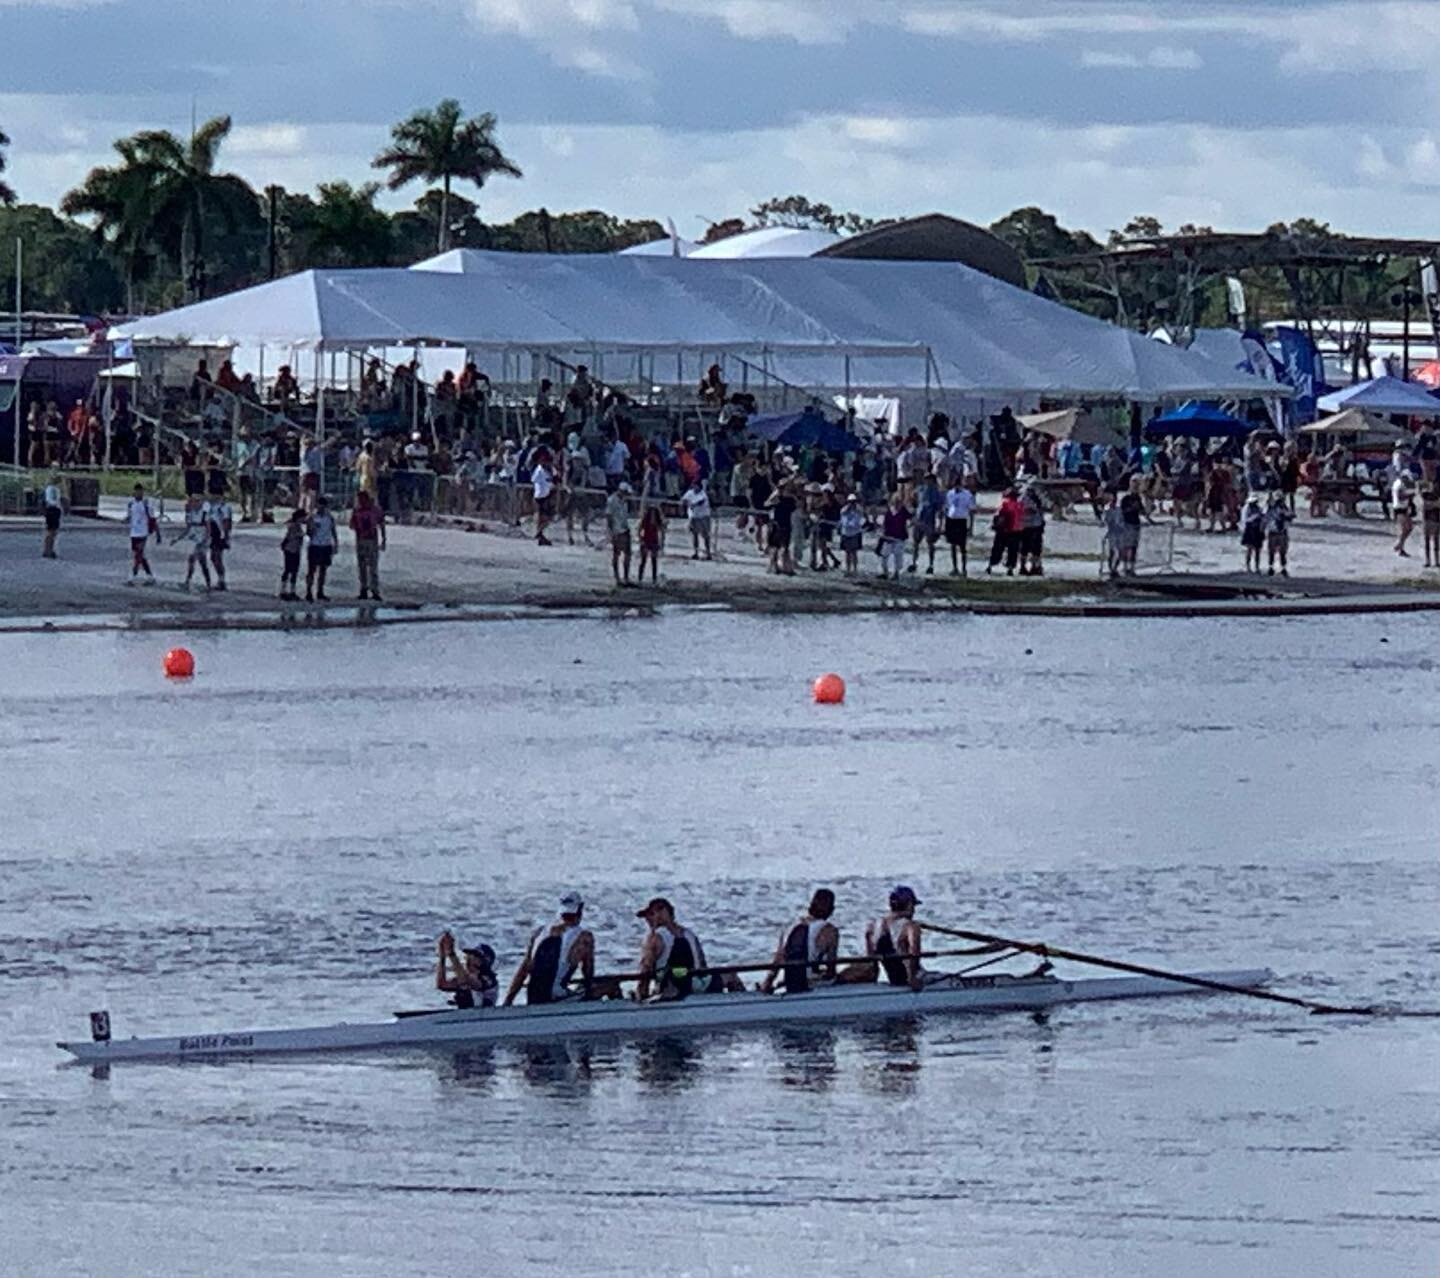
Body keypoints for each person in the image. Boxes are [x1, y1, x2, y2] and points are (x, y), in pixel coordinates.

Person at [503, 892, 596, 1006]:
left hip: (533, 996)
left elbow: (523, 971)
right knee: (611, 988)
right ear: (580, 909)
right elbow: (588, 972)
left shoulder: (539, 932)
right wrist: (590, 993)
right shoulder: (584, 938)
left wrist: (508, 1000)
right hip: (555, 997)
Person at [839, 885, 925, 989]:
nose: (914, 910)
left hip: (893, 980)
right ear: (909, 905)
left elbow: (871, 964)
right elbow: (913, 955)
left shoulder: (872, 927)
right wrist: (913, 980)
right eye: (913, 906)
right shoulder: (911, 927)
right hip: (914, 980)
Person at [758, 889, 840, 995]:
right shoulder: (830, 931)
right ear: (831, 910)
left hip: (791, 982)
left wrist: (768, 983)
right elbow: (831, 969)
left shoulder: (791, 926)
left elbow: (778, 960)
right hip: (813, 984)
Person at [635, 897, 711, 1001]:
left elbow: (646, 967)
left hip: (673, 985)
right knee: (729, 976)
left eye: (650, 915)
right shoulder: (690, 934)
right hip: (699, 982)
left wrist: (641, 994)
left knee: (670, 974)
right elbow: (702, 965)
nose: (647, 920)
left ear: (662, 913)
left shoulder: (655, 938)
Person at [435, 931, 499, 1009]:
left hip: (483, 1016)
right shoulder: (465, 977)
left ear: (483, 961)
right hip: (466, 1016)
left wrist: (451, 954)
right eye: (469, 955)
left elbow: (467, 980)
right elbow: (442, 984)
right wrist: (442, 956)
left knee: (464, 987)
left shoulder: (488, 979)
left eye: (474, 956)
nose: (468, 958)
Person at [350, 488, 386, 601]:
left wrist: (384, 538)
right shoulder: (357, 510)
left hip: (372, 540)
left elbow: (381, 524)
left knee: (373, 567)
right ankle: (363, 589)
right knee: (362, 567)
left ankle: (374, 590)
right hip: (361, 539)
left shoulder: (375, 510)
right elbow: (352, 525)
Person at [173, 494, 213, 591]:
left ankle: (206, 582)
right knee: (194, 560)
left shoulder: (204, 514)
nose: (193, 503)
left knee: (199, 561)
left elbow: (208, 529)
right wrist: (178, 538)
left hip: (202, 540)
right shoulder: (191, 514)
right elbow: (188, 528)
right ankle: (190, 580)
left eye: (195, 501)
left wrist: (205, 540)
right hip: (194, 539)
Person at [305, 496, 338, 602]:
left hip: (326, 545)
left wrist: (335, 543)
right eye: (320, 505)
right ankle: (309, 591)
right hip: (315, 545)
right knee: (312, 570)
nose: (322, 508)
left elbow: (333, 531)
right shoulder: (313, 517)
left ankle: (320, 591)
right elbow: (309, 533)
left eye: (324, 506)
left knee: (323, 570)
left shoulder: (330, 518)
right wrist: (312, 528)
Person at [909, 472, 943, 574]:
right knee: (915, 543)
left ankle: (931, 565)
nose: (927, 481)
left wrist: (939, 524)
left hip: (929, 521)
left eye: (929, 479)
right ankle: (914, 563)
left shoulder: (937, 492)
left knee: (930, 544)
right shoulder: (920, 489)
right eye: (926, 479)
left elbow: (939, 509)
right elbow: (914, 500)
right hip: (919, 519)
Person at [986, 487, 1023, 576]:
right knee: (1013, 550)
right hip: (1016, 530)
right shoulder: (1019, 505)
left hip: (1004, 530)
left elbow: (999, 515)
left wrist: (994, 525)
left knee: (998, 548)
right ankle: (1010, 568)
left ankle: (991, 565)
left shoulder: (1005, 503)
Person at [943, 474, 976, 576]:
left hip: (961, 520)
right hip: (951, 520)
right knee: (952, 545)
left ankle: (964, 568)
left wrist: (971, 526)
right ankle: (954, 567)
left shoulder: (967, 494)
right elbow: (947, 507)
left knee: (962, 546)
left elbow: (971, 510)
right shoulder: (950, 494)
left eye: (959, 485)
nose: (957, 487)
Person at [126, 483, 158, 584]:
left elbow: (153, 519)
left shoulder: (146, 504)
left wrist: (157, 533)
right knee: (140, 556)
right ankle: (150, 576)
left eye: (141, 491)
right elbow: (130, 517)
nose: (139, 493)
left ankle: (132, 576)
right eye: (137, 491)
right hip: (134, 533)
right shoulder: (131, 504)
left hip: (143, 533)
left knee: (138, 555)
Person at [606, 481, 633, 585]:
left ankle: (626, 577)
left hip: (625, 529)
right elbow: (609, 516)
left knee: (628, 554)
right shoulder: (612, 500)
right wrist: (611, 531)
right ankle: (617, 578)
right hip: (617, 530)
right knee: (616, 554)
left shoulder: (624, 502)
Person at [878, 491, 910, 581]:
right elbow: (885, 523)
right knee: (884, 555)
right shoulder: (889, 511)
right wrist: (882, 533)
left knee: (898, 556)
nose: (897, 503)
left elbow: (911, 519)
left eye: (898, 501)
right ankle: (885, 572)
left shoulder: (903, 510)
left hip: (900, 537)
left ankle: (896, 573)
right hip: (888, 537)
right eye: (895, 501)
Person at [206, 490, 233, 591]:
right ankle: (220, 579)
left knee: (217, 557)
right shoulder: (211, 506)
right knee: (213, 557)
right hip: (213, 533)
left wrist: (226, 536)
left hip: (219, 533)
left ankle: (222, 581)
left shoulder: (224, 507)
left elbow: (226, 522)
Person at [680, 475, 712, 559]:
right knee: (695, 535)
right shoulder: (690, 492)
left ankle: (708, 553)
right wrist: (685, 504)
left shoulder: (703, 494)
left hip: (704, 516)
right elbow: (683, 500)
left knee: (705, 535)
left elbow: (700, 502)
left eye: (696, 485)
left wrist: (692, 504)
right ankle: (696, 552)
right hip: (694, 517)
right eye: (693, 485)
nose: (694, 487)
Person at [279, 508, 305, 600]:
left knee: (294, 571)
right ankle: (283, 590)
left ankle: (292, 591)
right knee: (288, 570)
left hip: (296, 550)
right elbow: (289, 537)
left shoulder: (298, 526)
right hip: (291, 549)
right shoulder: (293, 526)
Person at [1264, 492, 1292, 577]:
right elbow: (1266, 519)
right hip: (1273, 532)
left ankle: (1283, 568)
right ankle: (1271, 567)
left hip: (1282, 532)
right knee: (1271, 552)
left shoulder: (1285, 509)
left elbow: (1290, 518)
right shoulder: (1270, 510)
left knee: (1282, 552)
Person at [838, 492, 864, 576]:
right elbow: (842, 514)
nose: (852, 503)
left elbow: (860, 518)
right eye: (850, 501)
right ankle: (848, 570)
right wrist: (848, 508)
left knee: (854, 553)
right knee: (847, 553)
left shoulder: (859, 509)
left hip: (855, 533)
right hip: (845, 533)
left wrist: (855, 509)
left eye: (853, 501)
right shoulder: (844, 509)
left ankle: (855, 569)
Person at [532, 456, 555, 546]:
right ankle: (539, 533)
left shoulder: (549, 471)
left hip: (546, 496)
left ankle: (540, 535)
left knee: (548, 518)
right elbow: (534, 480)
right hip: (540, 496)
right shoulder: (539, 470)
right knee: (543, 517)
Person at [1393, 469, 1416, 558]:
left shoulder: (1402, 484)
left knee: (1409, 528)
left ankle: (1399, 545)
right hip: (1399, 508)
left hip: (1403, 508)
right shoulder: (1398, 484)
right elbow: (1400, 497)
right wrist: (1410, 494)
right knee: (1405, 529)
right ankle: (1399, 547)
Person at [638, 502, 662, 585]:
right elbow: (640, 529)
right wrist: (641, 540)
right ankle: (640, 578)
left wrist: (660, 542)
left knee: (654, 560)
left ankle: (654, 579)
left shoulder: (657, 522)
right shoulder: (645, 520)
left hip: (654, 541)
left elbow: (661, 531)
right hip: (646, 540)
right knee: (643, 560)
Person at [1240, 494, 1265, 573]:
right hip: (1249, 530)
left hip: (1257, 530)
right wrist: (1255, 516)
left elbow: (1263, 519)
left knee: (1258, 550)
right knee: (1249, 549)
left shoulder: (1259, 509)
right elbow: (1245, 520)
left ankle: (1257, 567)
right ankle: (1248, 566)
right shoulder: (1246, 509)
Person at [41, 474, 62, 559]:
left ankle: (51, 549)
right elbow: (49, 500)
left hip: (56, 510)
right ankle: (47, 550)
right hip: (51, 509)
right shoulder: (50, 489)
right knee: (50, 531)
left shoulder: (56, 489)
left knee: (54, 532)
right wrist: (56, 504)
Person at [1423, 482, 1440, 568]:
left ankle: (1436, 561)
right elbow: (1425, 506)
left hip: (1436, 519)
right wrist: (1435, 504)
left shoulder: (1436, 494)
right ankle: (1428, 560)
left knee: (1436, 540)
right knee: (1427, 540)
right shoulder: (1425, 494)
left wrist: (1431, 505)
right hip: (1427, 519)